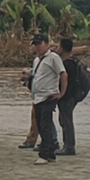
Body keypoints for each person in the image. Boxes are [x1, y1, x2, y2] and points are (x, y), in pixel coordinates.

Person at [29, 34, 67, 164]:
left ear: (47, 44)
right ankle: (50, 153)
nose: (37, 47)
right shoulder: (37, 60)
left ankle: (44, 154)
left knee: (45, 125)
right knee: (40, 124)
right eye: (35, 44)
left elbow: (63, 74)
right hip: (37, 97)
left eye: (40, 44)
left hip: (49, 96)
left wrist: (61, 93)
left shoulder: (53, 58)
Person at [58, 37, 80, 156]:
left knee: (66, 120)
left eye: (58, 46)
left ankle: (69, 146)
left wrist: (61, 93)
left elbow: (64, 79)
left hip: (67, 96)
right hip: (72, 96)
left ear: (62, 48)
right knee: (64, 120)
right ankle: (67, 145)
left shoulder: (67, 64)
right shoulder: (74, 61)